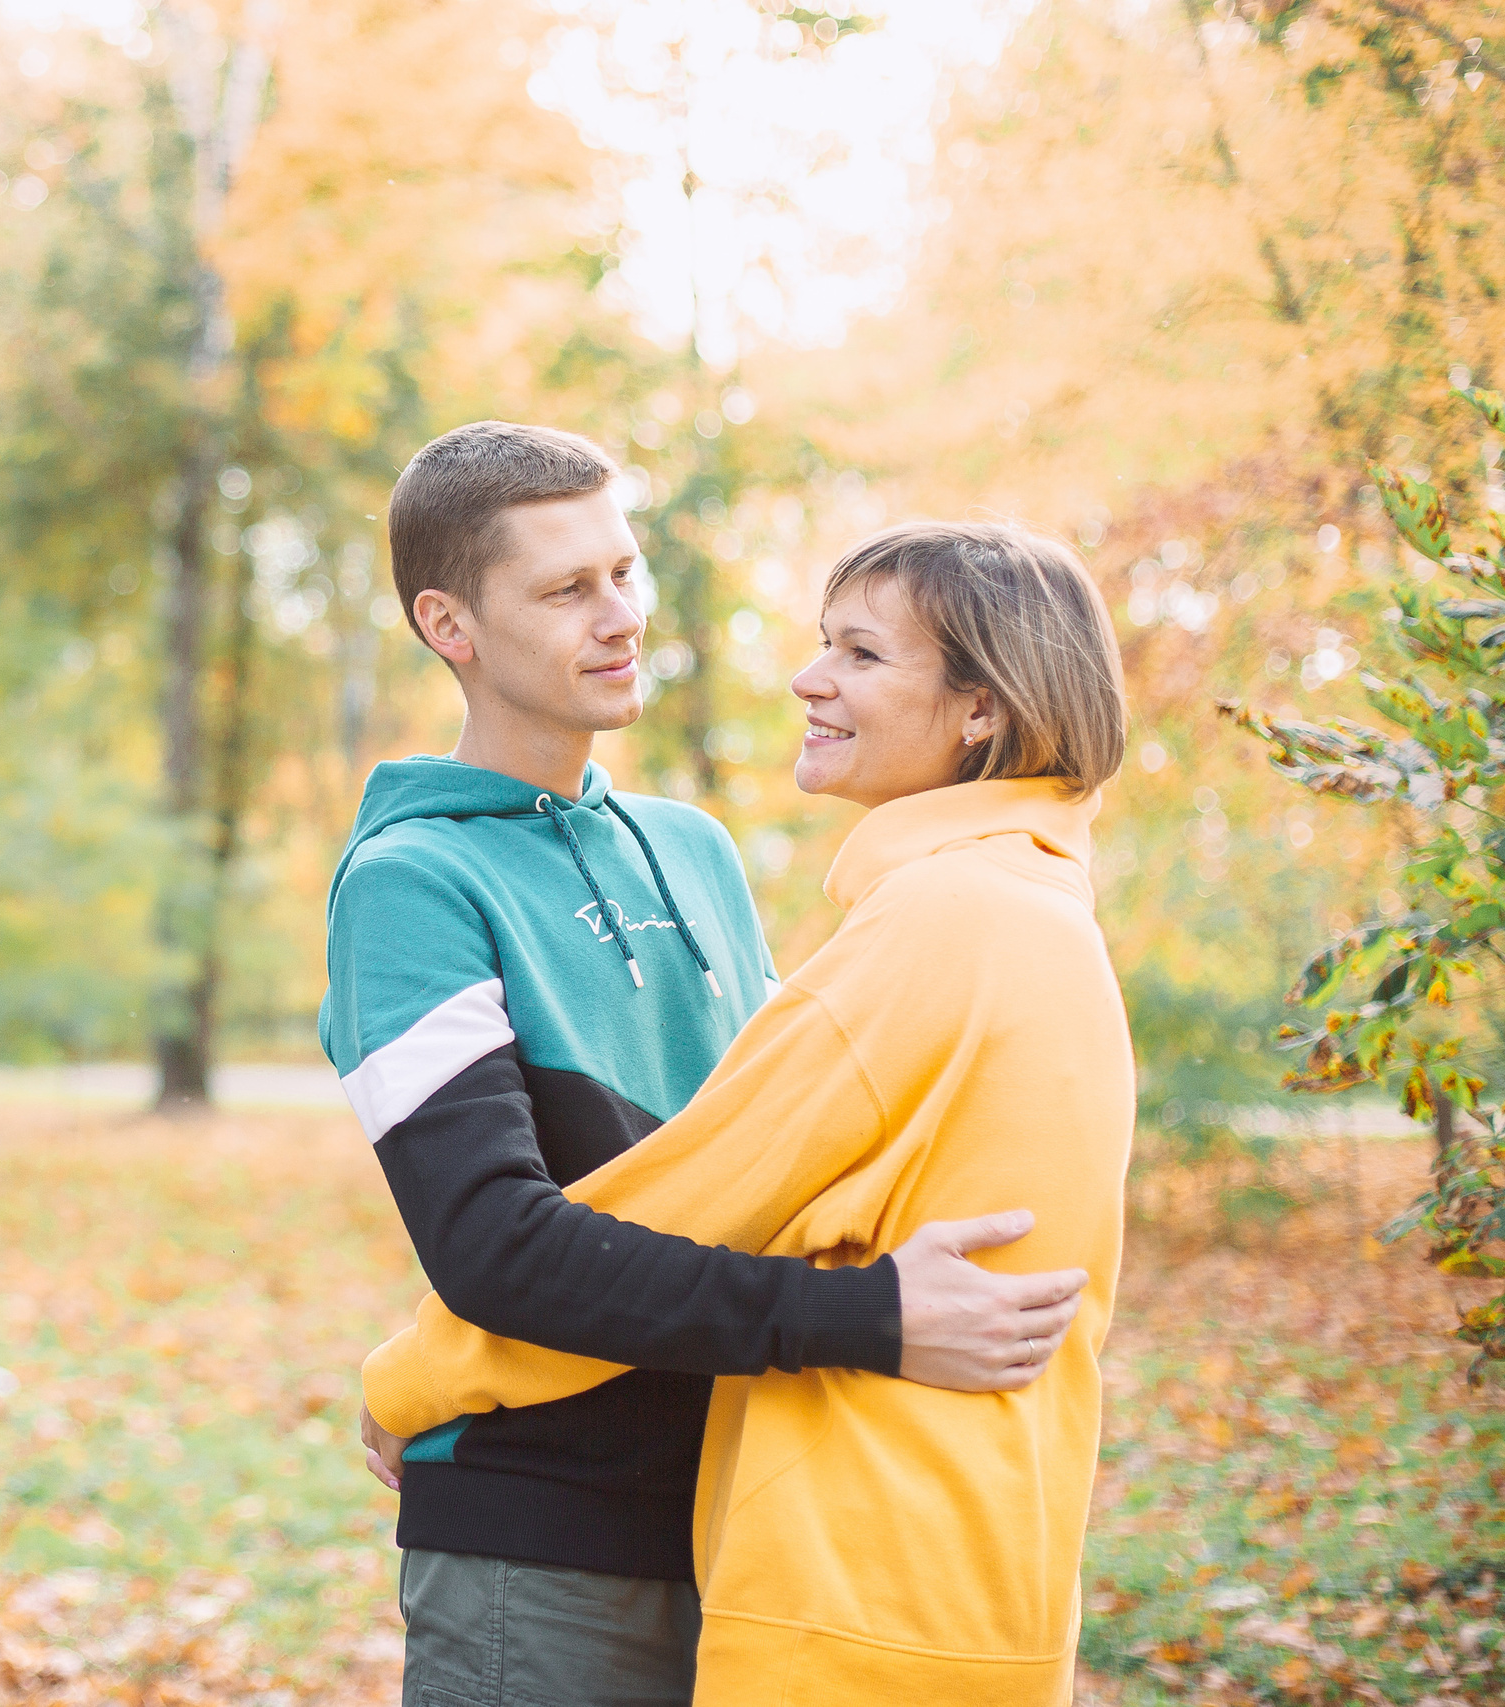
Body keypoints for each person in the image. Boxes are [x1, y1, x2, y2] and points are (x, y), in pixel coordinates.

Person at [321, 422, 1090, 1707]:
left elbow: (783, 1177)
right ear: (449, 625)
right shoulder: (409, 887)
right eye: (567, 590)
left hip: (758, 1524)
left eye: (624, 571)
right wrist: (872, 1320)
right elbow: (495, 1252)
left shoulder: (696, 852)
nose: (620, 615)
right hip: (542, 1535)